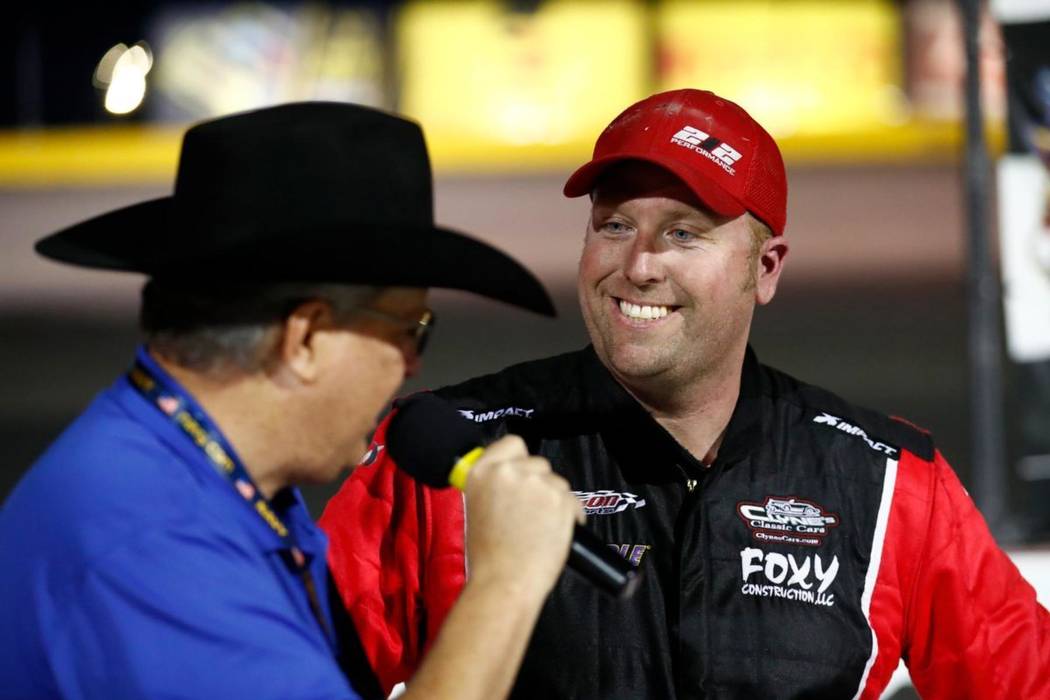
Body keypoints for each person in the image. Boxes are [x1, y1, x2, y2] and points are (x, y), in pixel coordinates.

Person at [320, 89, 1050, 699]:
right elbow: (287, 668)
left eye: (682, 233)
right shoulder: (450, 455)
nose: (637, 266)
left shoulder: (890, 481)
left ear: (764, 269)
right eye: (613, 226)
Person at [0, 102, 585, 700]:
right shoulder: (157, 542)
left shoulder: (200, 476)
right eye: (409, 330)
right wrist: (507, 579)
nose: (413, 364)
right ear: (305, 338)